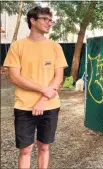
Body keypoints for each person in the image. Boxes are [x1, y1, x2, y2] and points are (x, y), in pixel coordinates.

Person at [3, 6, 68, 169]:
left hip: (50, 105)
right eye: (45, 19)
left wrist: (44, 98)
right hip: (24, 105)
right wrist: (43, 89)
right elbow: (14, 77)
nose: (49, 23)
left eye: (51, 20)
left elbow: (58, 77)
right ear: (32, 20)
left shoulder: (55, 47)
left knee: (44, 147)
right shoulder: (17, 46)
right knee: (25, 150)